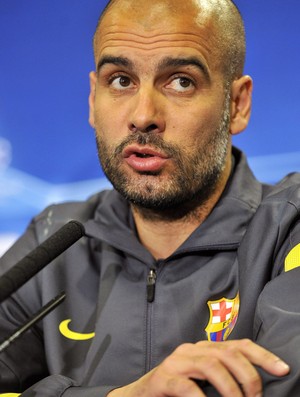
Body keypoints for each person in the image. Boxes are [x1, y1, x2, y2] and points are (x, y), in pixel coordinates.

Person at [0, 0, 300, 396]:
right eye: (121, 80)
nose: (143, 116)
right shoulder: (54, 242)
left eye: (181, 81)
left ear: (237, 104)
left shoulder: (287, 229)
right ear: (93, 99)